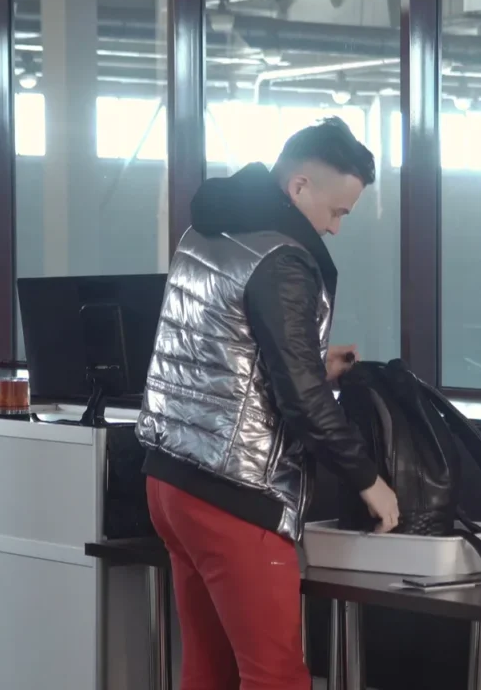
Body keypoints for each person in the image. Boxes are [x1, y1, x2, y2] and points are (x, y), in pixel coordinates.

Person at [136, 118, 400, 690]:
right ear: (299, 187)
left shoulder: (208, 230)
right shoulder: (283, 256)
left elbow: (214, 347)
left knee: (209, 669)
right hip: (236, 492)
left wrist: (311, 366)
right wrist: (367, 479)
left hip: (173, 481)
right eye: (337, 212)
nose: (334, 228)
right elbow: (302, 400)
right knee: (274, 675)